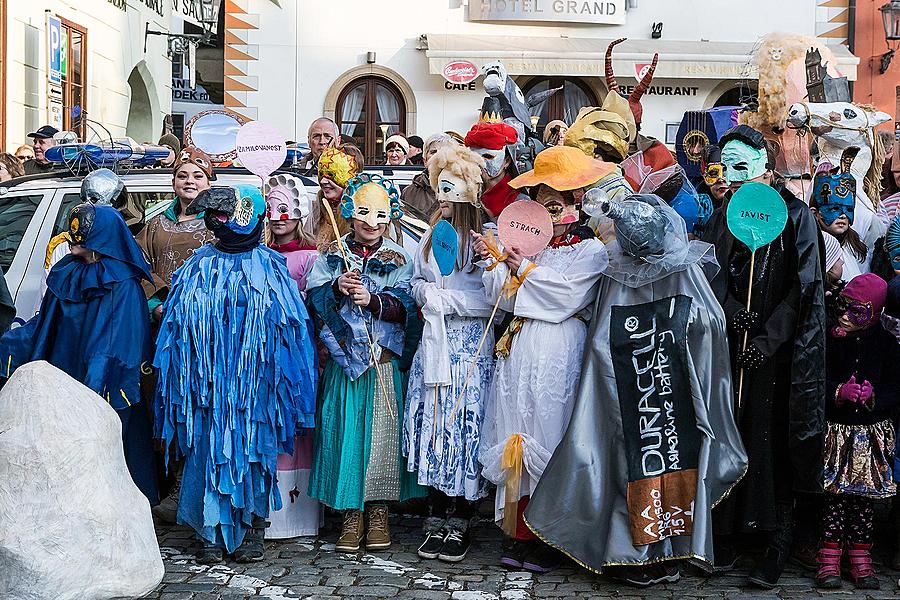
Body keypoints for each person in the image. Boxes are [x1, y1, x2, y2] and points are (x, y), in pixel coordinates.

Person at [526, 193, 747, 587]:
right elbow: (600, 335)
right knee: (627, 467)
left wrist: (671, 343)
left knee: (674, 465)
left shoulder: (682, 270)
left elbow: (709, 324)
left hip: (673, 392)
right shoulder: (616, 273)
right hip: (627, 391)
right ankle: (631, 552)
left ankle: (671, 549)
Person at [154, 184, 317, 564]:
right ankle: (207, 529)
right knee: (206, 451)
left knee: (255, 453)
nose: (221, 224)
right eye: (217, 218)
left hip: (257, 385)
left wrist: (283, 385)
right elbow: (177, 330)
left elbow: (292, 333)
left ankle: (253, 528)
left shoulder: (271, 269)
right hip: (207, 384)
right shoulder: (197, 266)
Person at [472, 145, 609, 573]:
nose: (550, 211)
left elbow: (565, 298)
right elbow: (502, 303)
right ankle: (520, 530)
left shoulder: (591, 252)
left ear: (574, 205)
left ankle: (553, 533)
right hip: (519, 350)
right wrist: (495, 263)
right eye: (542, 201)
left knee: (552, 433)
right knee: (519, 427)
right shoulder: (530, 247)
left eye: (557, 202)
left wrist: (523, 271)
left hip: (559, 349)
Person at [703, 124, 826, 588]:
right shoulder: (722, 215)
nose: (732, 176)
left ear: (765, 165)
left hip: (777, 357)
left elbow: (805, 286)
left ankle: (775, 539)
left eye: (742, 165)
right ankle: (729, 530)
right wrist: (733, 312)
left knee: (769, 438)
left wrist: (768, 340)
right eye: (726, 165)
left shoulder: (796, 217)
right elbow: (708, 271)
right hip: (729, 347)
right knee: (728, 430)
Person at [0, 203, 159, 504]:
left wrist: (95, 385)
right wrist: (11, 344)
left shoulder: (122, 283)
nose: (75, 238)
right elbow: (45, 323)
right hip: (65, 378)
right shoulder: (67, 273)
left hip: (106, 385)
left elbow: (117, 340)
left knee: (112, 452)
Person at [306, 173, 425, 553]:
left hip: (382, 364)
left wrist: (375, 302)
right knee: (345, 435)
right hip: (346, 367)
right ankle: (350, 514)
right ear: (349, 213)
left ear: (389, 214)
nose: (370, 222)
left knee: (382, 441)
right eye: (362, 213)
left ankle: (377, 511)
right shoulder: (330, 256)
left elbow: (410, 306)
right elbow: (313, 301)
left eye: (378, 214)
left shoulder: (401, 257)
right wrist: (335, 288)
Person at [403, 144, 492, 563]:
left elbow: (493, 299)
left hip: (469, 346)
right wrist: (425, 294)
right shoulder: (430, 232)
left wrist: (447, 302)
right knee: (436, 424)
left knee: (463, 425)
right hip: (435, 345)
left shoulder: (483, 238)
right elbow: (417, 280)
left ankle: (463, 516)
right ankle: (437, 510)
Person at [815, 273, 896, 591]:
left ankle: (861, 559)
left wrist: (876, 397)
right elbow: (815, 381)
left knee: (863, 501)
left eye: (858, 311)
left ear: (873, 315)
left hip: (869, 435)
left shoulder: (887, 345)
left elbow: (895, 387)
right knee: (833, 498)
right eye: (843, 307)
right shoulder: (831, 341)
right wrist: (837, 392)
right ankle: (829, 558)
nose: (847, 316)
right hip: (837, 433)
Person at [264, 173, 323, 540]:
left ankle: (299, 516)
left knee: (299, 428)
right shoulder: (260, 255)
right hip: (265, 355)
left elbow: (317, 307)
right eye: (272, 209)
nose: (278, 217)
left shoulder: (311, 258)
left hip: (298, 354)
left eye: (286, 209)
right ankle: (271, 513)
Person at [136, 147, 217, 319]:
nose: (189, 181)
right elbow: (138, 264)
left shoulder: (221, 226)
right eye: (182, 176)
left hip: (208, 317)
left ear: (209, 184)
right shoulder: (156, 224)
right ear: (173, 183)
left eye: (198, 176)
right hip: (164, 317)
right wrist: (155, 305)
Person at [810, 150, 869, 280]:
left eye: (848, 209)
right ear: (815, 213)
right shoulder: (811, 248)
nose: (842, 216)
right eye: (834, 208)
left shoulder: (855, 246)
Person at [303, 144, 364, 247]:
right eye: (321, 173)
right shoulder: (314, 209)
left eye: (331, 175)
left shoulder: (363, 216)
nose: (323, 181)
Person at [464, 121, 527, 220]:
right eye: (474, 157)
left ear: (506, 161)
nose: (480, 163)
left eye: (487, 156)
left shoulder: (520, 202)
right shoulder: (463, 193)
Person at [400, 133, 455, 219]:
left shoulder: (462, 190)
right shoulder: (409, 193)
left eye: (443, 152)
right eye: (433, 152)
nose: (437, 156)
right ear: (425, 160)